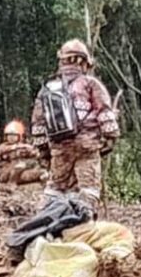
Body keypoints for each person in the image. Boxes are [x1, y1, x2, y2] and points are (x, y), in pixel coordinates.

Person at [31, 39, 121, 208]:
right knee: (89, 189)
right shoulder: (91, 84)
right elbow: (105, 112)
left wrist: (44, 151)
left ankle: (45, 220)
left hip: (59, 148)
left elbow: (38, 123)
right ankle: (83, 221)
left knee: (55, 189)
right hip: (86, 146)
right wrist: (111, 138)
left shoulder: (48, 88)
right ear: (84, 63)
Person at [0, 121, 44, 185]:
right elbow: (1, 150)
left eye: (14, 135)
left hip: (20, 172)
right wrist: (16, 147)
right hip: (6, 172)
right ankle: (11, 182)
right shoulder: (3, 146)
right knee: (18, 167)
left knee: (29, 173)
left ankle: (42, 175)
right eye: (9, 135)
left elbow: (35, 154)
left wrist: (31, 151)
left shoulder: (24, 147)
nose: (11, 137)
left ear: (19, 136)